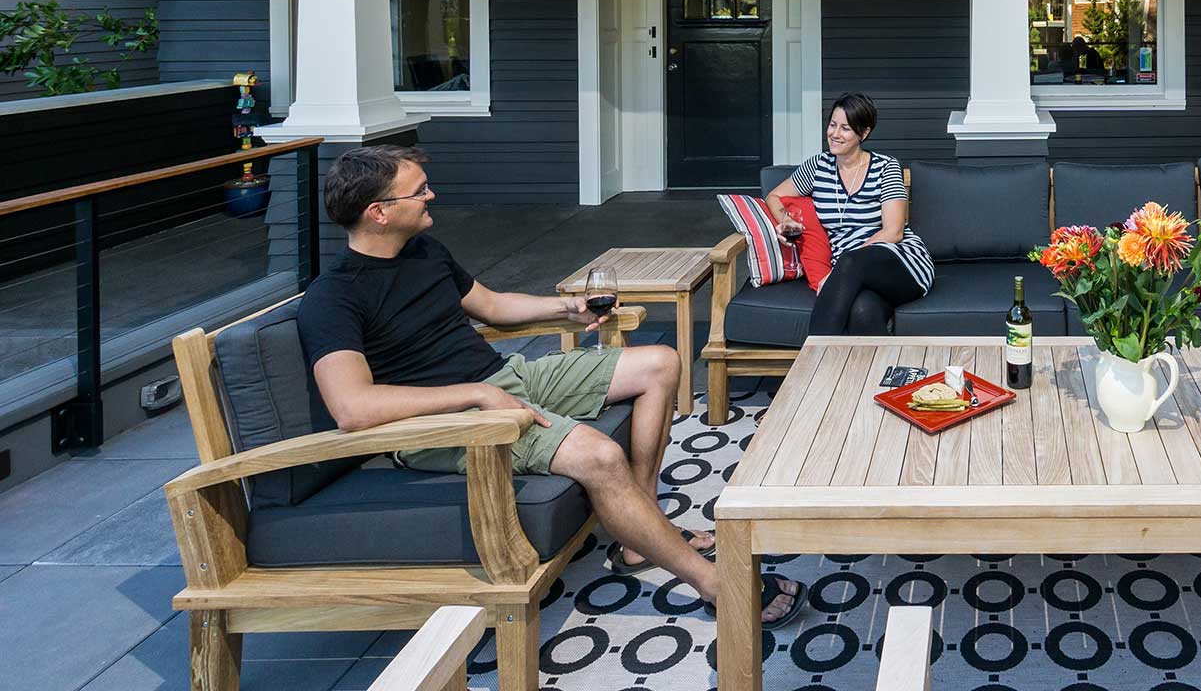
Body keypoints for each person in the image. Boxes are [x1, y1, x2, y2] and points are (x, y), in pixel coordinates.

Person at [297, 145, 802, 627]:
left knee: (660, 363)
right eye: (419, 191)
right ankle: (717, 587)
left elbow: (492, 307)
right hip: (444, 423)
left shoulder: (423, 250)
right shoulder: (333, 296)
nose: (431, 196)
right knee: (600, 456)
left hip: (503, 377)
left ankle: (637, 535)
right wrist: (476, 396)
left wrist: (565, 307)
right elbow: (352, 406)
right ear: (379, 212)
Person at [764, 92, 935, 336]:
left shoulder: (885, 167)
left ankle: (813, 363)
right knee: (863, 312)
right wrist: (785, 220)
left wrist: (838, 273)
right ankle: (880, 373)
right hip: (851, 273)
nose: (834, 133)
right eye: (832, 125)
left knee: (851, 260)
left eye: (845, 128)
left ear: (863, 133)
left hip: (899, 261)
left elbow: (894, 231)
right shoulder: (817, 167)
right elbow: (774, 196)